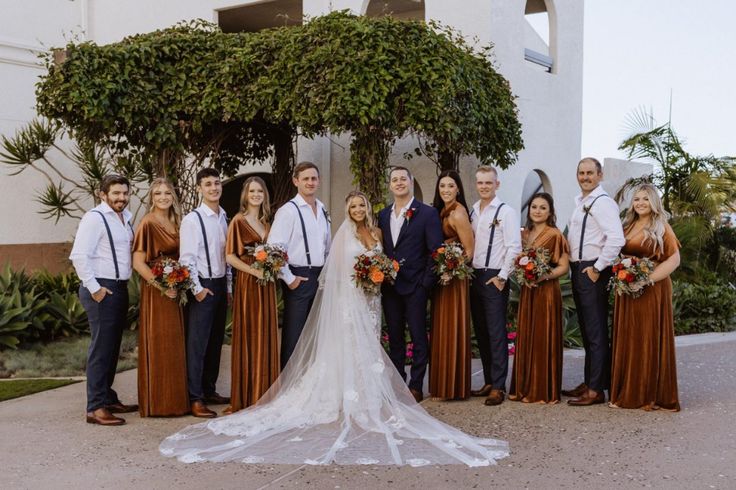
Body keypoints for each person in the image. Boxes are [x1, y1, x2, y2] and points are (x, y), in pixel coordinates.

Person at [160, 192, 509, 466]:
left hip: (373, 298)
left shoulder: (375, 230)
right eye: (353, 205)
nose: (357, 209)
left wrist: (380, 272)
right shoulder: (341, 231)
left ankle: (372, 392)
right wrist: (359, 278)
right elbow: (337, 267)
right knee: (346, 343)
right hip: (351, 297)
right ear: (348, 209)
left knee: (371, 344)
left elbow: (385, 261)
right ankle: (339, 394)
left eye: (361, 205)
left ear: (367, 210)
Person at [70, 174, 138, 425]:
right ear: (103, 194)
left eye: (124, 193)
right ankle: (95, 407)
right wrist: (95, 288)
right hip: (101, 288)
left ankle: (108, 397)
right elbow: (79, 255)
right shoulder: (94, 218)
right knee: (101, 349)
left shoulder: (126, 218)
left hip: (118, 288)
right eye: (116, 193)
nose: (121, 198)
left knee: (111, 348)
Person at [610, 184, 680, 411]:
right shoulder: (627, 225)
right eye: (637, 199)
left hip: (652, 289)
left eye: (645, 199)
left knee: (648, 336)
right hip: (628, 289)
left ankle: (648, 393)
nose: (640, 203)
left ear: (654, 203)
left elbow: (674, 259)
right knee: (630, 336)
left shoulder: (661, 226)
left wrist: (647, 279)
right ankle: (628, 390)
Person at [377, 166, 444, 403]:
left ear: (411, 181)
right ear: (390, 185)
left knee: (417, 338)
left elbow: (436, 251)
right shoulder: (383, 215)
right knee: (395, 338)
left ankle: (416, 385)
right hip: (390, 287)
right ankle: (398, 384)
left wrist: (425, 284)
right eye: (394, 179)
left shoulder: (427, 213)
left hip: (416, 286)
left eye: (402, 179)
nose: (398, 183)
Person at [563, 157, 625, 406]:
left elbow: (616, 239)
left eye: (590, 172)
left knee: (596, 331)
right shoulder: (580, 202)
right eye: (581, 172)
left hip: (592, 271)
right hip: (579, 270)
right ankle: (591, 381)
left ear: (600, 175)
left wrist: (598, 268)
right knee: (589, 331)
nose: (585, 177)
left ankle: (597, 389)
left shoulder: (603, 203)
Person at [132, 178, 189, 417]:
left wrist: (177, 281)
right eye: (158, 194)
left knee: (175, 345)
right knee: (160, 342)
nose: (163, 197)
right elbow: (138, 263)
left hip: (176, 288)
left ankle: (175, 401)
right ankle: (158, 402)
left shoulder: (176, 222)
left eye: (167, 193)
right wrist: (162, 286)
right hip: (158, 292)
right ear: (152, 198)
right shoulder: (147, 223)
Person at [268, 162, 332, 369]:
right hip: (299, 276)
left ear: (318, 181)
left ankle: (309, 380)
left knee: (317, 333)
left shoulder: (322, 208)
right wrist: (289, 278)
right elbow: (274, 248)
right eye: (305, 179)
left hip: (320, 276)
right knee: (294, 335)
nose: (310, 182)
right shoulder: (288, 211)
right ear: (296, 181)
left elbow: (327, 245)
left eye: (314, 178)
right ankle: (288, 384)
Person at [223, 177, 279, 414]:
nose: (256, 194)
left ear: (265, 195)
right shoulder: (238, 221)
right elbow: (230, 256)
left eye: (260, 191)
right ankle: (247, 394)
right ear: (245, 195)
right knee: (249, 332)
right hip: (248, 283)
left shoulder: (267, 222)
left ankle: (265, 393)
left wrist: (272, 266)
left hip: (266, 284)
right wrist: (253, 269)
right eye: (252, 191)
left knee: (265, 333)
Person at [508, 193, 569, 404]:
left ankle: (543, 389)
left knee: (544, 335)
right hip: (528, 291)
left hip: (546, 292)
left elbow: (563, 266)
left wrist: (544, 276)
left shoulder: (555, 235)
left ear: (550, 212)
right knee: (528, 335)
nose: (537, 211)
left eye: (543, 208)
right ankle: (524, 387)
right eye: (534, 206)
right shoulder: (524, 234)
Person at [180, 168, 231, 418]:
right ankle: (195, 397)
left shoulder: (224, 217)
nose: (214, 188)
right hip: (203, 285)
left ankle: (209, 389)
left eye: (217, 183)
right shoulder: (193, 220)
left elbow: (226, 258)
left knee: (214, 341)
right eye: (208, 184)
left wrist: (228, 287)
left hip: (221, 284)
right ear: (200, 188)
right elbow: (187, 259)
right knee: (197, 344)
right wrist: (197, 290)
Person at [469, 166, 522, 406]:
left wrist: (502, 276)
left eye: (488, 183)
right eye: (480, 183)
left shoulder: (506, 212)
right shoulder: (473, 211)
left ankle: (499, 386)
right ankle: (490, 380)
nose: (484, 187)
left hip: (494, 277)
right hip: (474, 275)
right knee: (481, 331)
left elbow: (514, 247)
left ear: (497, 184)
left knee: (496, 332)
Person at [429, 170, 475, 401]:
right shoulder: (438, 212)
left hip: (455, 278)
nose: (446, 190)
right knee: (440, 327)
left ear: (458, 189)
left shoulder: (458, 213)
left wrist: (450, 269)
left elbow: (469, 251)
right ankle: (440, 383)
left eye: (450, 186)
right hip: (441, 276)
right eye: (442, 186)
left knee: (452, 326)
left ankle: (453, 385)